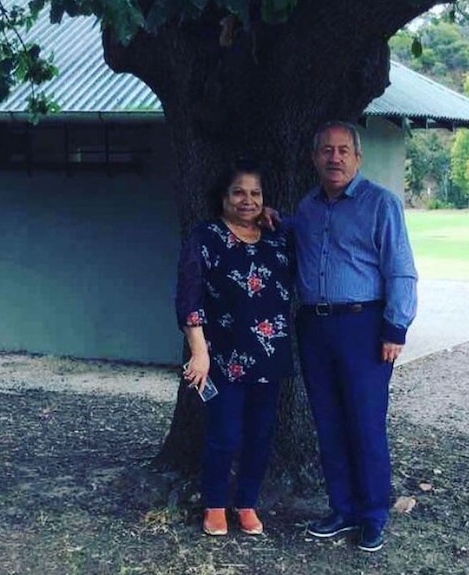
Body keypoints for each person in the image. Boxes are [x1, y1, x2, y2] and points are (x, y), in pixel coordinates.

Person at [294, 121, 418, 553]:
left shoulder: (380, 204)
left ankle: (372, 515)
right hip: (314, 327)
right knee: (328, 422)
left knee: (365, 424)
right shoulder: (307, 208)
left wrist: (395, 327)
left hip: (363, 328)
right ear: (314, 158)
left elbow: (400, 268)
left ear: (358, 158)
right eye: (326, 150)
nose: (335, 157)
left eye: (344, 150)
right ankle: (341, 508)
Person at [174, 159, 294, 537]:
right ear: (223, 197)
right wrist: (199, 351)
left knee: (260, 435)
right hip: (222, 358)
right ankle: (214, 504)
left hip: (269, 356)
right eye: (239, 192)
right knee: (224, 434)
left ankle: (246, 503)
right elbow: (188, 297)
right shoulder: (206, 237)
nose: (248, 200)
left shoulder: (275, 236)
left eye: (255, 193)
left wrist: (276, 217)